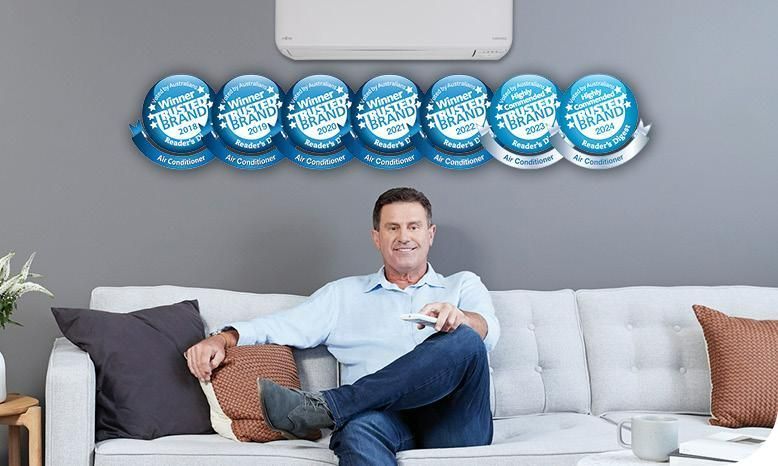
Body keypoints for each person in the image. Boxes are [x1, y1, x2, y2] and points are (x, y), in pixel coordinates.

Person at [185, 187, 500, 465]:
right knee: (358, 432)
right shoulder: (343, 295)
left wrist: (461, 318)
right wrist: (225, 338)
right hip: (381, 418)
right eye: (393, 227)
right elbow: (280, 325)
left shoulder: (462, 285)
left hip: (454, 418)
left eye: (413, 226)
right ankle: (340, 409)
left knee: (466, 338)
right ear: (376, 237)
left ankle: (329, 407)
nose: (404, 236)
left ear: (430, 234)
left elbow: (488, 332)